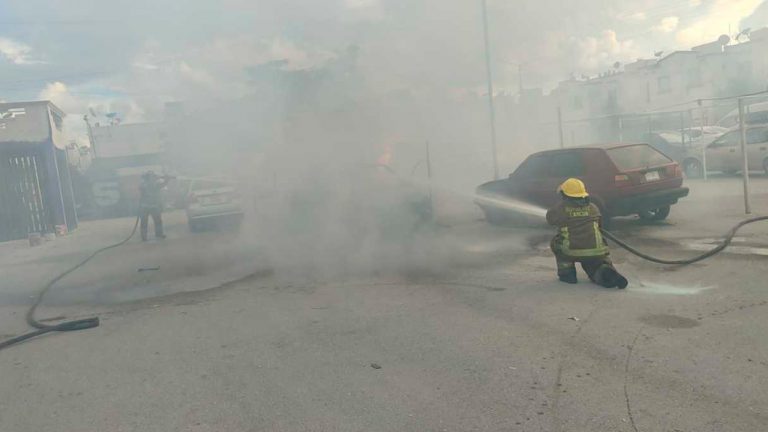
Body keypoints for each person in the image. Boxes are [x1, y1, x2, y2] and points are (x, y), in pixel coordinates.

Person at [546, 178, 628, 289]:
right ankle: (605, 273)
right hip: (596, 251)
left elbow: (550, 220)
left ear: (564, 194)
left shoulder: (561, 208)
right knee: (595, 266)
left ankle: (567, 274)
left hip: (571, 251)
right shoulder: (593, 207)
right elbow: (600, 226)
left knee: (556, 243)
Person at [138, 171, 172, 241]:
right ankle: (144, 237)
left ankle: (159, 234)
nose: (154, 178)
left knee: (158, 221)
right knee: (144, 222)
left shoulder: (155, 184)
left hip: (154, 206)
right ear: (148, 178)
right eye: (152, 176)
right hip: (145, 206)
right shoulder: (144, 184)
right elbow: (142, 188)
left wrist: (167, 179)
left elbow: (163, 184)